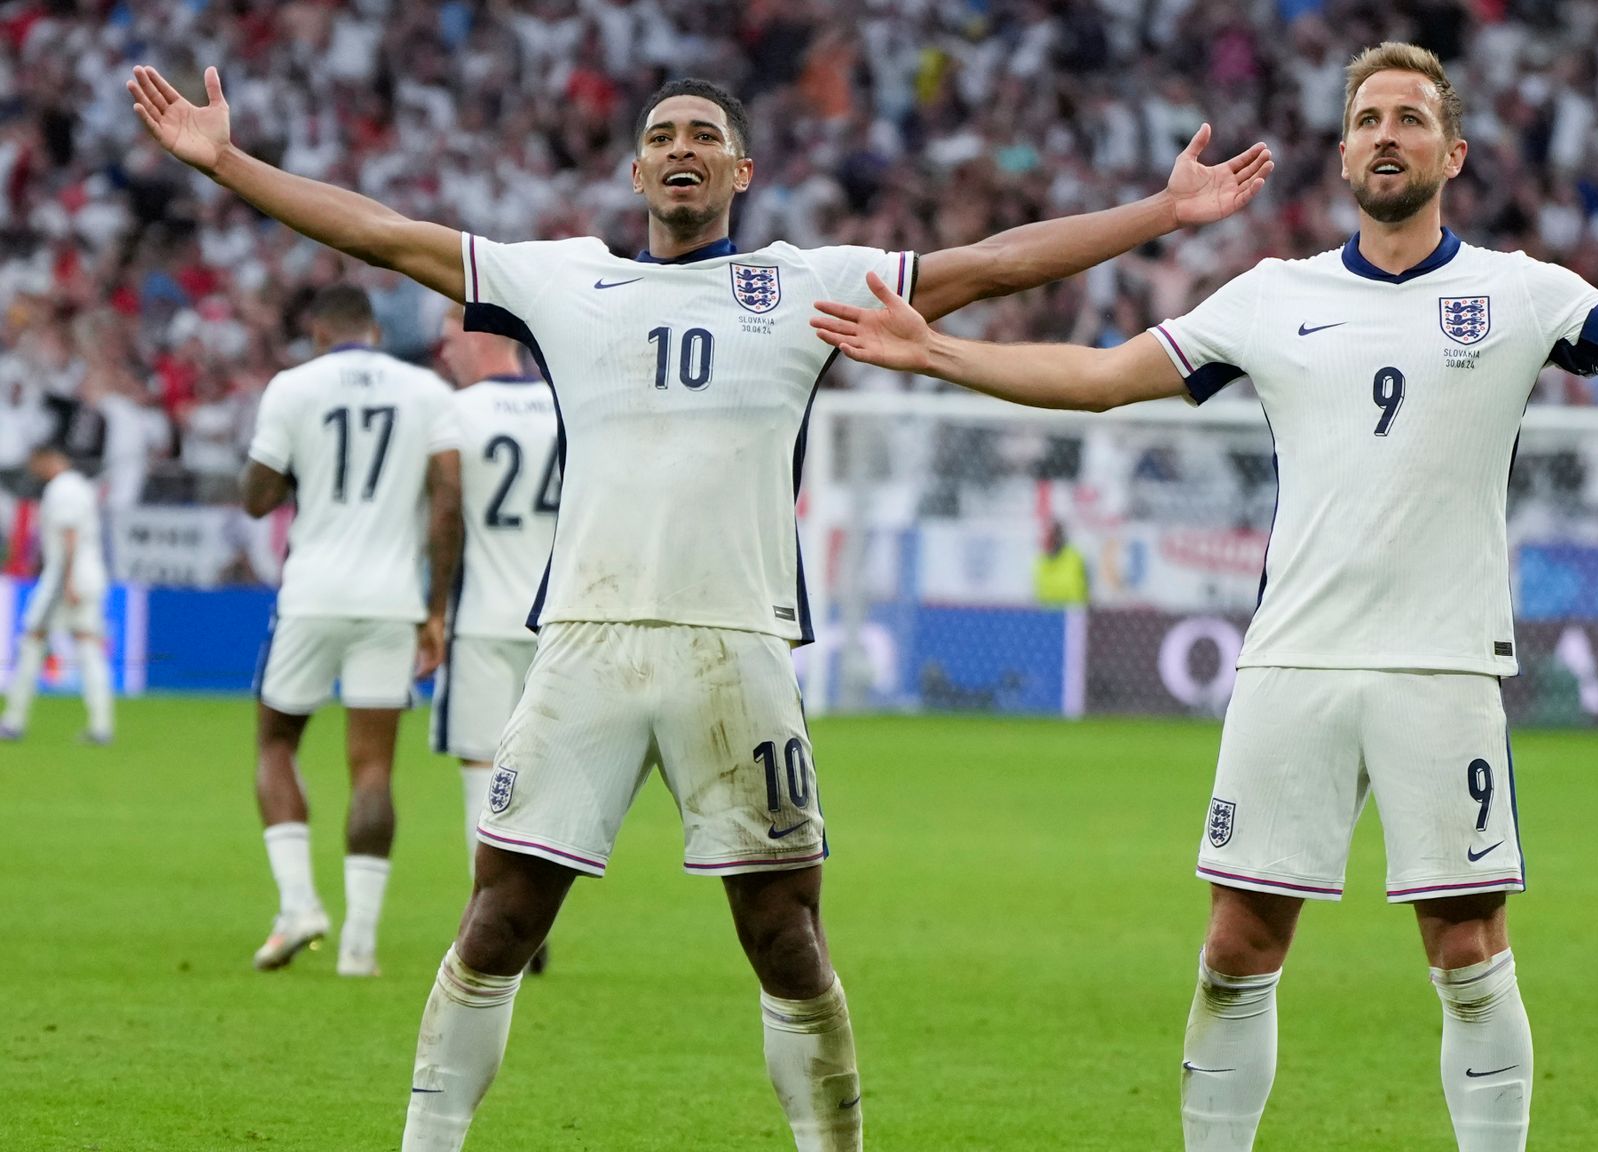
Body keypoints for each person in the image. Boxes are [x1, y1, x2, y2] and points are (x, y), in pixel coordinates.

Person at [809, 40, 1598, 1152]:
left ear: (1450, 155)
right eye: (1366, 119)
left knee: (1466, 946)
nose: (1386, 135)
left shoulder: (1523, 294)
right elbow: (1106, 378)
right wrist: (943, 354)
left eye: (1409, 120)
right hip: (1294, 665)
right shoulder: (1266, 296)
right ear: (1339, 153)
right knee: (1235, 943)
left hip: (1443, 666)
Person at [128, 62, 1270, 1151]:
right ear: (635, 175)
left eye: (704, 138)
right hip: (586, 645)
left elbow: (989, 263)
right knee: (499, 923)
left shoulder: (807, 282)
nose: (682, 150)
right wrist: (228, 164)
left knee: (783, 934)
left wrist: (1158, 213)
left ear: (742, 173)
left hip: (738, 650)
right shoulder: (564, 278)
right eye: (663, 137)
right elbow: (377, 233)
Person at [242, 284, 463, 978]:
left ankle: (300, 903)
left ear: (317, 333)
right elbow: (447, 502)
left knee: (277, 742)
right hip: (392, 597)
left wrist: (298, 467)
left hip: (311, 593)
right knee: (372, 768)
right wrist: (436, 607)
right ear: (372, 330)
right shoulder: (426, 389)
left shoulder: (293, 386)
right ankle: (360, 947)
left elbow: (257, 499)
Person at [428, 303, 558, 971]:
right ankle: (532, 917)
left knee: (482, 767)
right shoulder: (565, 403)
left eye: (450, 336)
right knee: (541, 773)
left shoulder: (458, 412)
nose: (443, 349)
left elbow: (445, 511)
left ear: (479, 337)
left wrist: (431, 610)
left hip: (480, 616)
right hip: (557, 623)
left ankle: (491, 914)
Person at [1, 444, 112, 744]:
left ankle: (13, 720)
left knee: (31, 641)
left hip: (65, 578)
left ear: (49, 459)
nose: (34, 472)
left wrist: (69, 582)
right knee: (88, 645)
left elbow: (69, 535)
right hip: (85, 575)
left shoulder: (62, 490)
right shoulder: (80, 486)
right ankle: (101, 725)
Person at [1033, 521, 1089, 605]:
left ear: (1059, 537)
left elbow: (1081, 591)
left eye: (1052, 537)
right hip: (1047, 613)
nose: (1048, 541)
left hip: (1072, 612)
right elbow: (1039, 593)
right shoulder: (1041, 562)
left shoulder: (1074, 558)